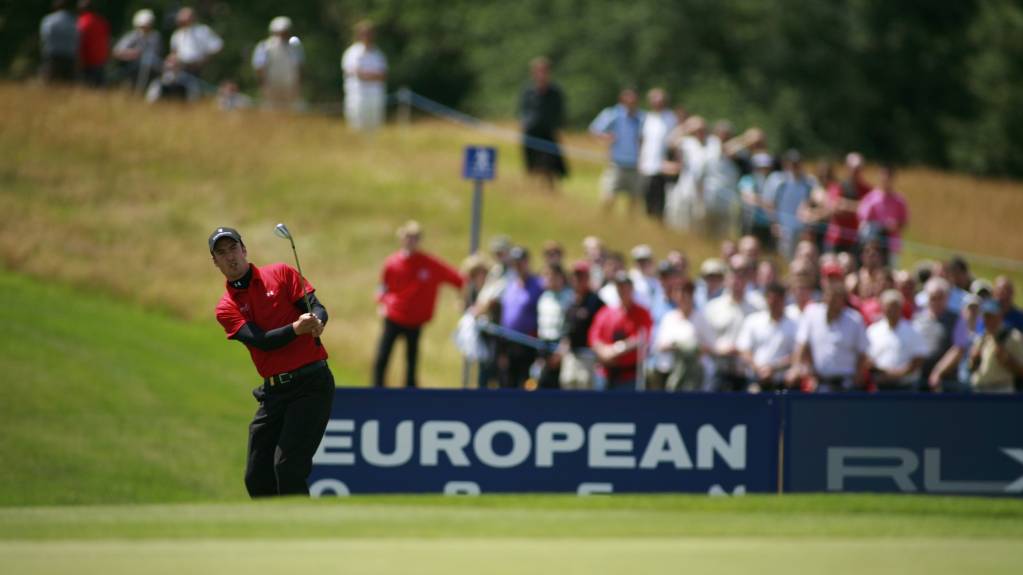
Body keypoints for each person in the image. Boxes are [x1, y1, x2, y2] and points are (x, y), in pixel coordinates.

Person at [209, 227, 333, 497]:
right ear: (215, 262)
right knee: (257, 476)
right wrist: (296, 329)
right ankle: (270, 535)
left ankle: (299, 536)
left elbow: (315, 305)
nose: (230, 257)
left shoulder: (280, 273)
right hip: (275, 392)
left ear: (244, 250)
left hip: (312, 385)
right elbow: (262, 340)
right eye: (222, 253)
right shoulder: (226, 307)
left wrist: (318, 321)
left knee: (288, 469)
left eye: (233, 249)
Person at [374, 221, 464, 388]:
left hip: (415, 321)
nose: (411, 241)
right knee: (382, 357)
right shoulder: (392, 263)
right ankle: (376, 391)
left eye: (415, 237)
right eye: (408, 237)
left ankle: (410, 396)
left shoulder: (429, 264)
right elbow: (382, 288)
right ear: (402, 238)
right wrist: (381, 303)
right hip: (393, 316)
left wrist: (463, 298)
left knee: (411, 362)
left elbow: (458, 280)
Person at [789, 276, 868, 392]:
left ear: (843, 300)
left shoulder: (855, 320)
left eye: (837, 298)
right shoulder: (811, 313)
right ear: (824, 298)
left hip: (847, 384)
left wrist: (858, 376)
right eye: (830, 297)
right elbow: (802, 344)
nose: (833, 302)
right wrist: (796, 368)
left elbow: (863, 352)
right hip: (820, 383)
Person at [703, 257, 762, 391]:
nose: (738, 277)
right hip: (719, 373)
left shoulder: (758, 307)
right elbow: (703, 342)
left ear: (748, 277)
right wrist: (718, 349)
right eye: (734, 272)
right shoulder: (713, 307)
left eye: (743, 273)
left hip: (748, 375)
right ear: (727, 275)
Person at [588, 272, 653, 390]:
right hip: (605, 373)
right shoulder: (605, 312)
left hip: (629, 375)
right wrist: (603, 351)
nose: (623, 290)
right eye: (620, 287)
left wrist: (616, 350)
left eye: (626, 287)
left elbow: (641, 337)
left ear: (632, 288)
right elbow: (594, 336)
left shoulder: (642, 313)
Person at [589, 88, 644, 213]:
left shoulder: (642, 117)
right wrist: (606, 137)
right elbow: (594, 129)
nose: (631, 103)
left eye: (633, 101)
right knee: (608, 197)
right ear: (622, 101)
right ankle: (605, 224)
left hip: (636, 165)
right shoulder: (612, 114)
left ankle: (629, 229)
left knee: (634, 200)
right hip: (616, 163)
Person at [736, 282, 797, 392]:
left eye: (777, 300)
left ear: (783, 300)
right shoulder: (753, 321)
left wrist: (773, 368)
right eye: (770, 299)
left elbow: (797, 354)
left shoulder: (794, 325)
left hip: (783, 384)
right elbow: (743, 349)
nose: (773, 303)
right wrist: (758, 369)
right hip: (755, 381)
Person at [498, 247, 545, 388]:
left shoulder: (538, 285)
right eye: (515, 263)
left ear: (527, 262)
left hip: (528, 344)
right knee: (506, 384)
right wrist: (502, 349)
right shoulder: (510, 284)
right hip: (509, 343)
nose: (518, 266)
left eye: (521, 262)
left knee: (526, 385)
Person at [654, 280, 713, 391]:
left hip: (693, 376)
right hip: (669, 372)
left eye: (685, 293)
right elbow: (659, 345)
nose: (681, 297)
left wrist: (693, 349)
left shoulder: (701, 318)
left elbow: (710, 346)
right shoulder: (668, 318)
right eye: (678, 293)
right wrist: (678, 346)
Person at [519, 56, 568, 189]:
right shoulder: (528, 91)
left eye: (544, 71)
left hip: (548, 134)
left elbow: (560, 113)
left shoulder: (555, 92)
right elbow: (523, 111)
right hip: (532, 133)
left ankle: (550, 192)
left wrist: (559, 130)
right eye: (538, 71)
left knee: (550, 166)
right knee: (532, 167)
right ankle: (533, 192)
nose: (541, 74)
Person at [866, 290, 927, 391]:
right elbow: (866, 358)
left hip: (906, 387)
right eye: (888, 306)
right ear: (882, 308)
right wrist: (882, 373)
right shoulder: (873, 331)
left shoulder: (913, 330)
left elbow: (918, 359)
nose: (891, 310)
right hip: (880, 386)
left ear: (901, 307)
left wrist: (897, 374)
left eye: (895, 306)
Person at [558, 261, 605, 389]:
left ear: (587, 278)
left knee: (585, 388)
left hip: (589, 356)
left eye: (581, 277)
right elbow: (566, 328)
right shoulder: (570, 301)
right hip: (571, 355)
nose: (577, 280)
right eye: (575, 276)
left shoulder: (595, 301)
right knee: (567, 383)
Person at [764, 149, 816, 260]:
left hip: (802, 229)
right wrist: (774, 223)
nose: (795, 166)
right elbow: (769, 203)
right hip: (783, 227)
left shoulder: (809, 182)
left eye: (797, 163)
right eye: (792, 163)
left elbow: (812, 202)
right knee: (783, 258)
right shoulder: (777, 180)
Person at [913, 277, 959, 391]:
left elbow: (959, 348)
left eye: (940, 298)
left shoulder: (957, 320)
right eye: (933, 298)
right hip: (920, 379)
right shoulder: (917, 318)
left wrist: (938, 372)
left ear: (947, 298)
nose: (936, 302)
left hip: (946, 381)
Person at [857, 165, 908, 267]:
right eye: (883, 175)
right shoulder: (871, 197)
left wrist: (894, 225)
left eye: (888, 176)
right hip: (873, 246)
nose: (885, 179)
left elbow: (904, 222)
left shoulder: (899, 200)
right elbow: (862, 218)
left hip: (891, 246)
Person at [968, 299, 1023, 393]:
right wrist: (974, 359)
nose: (987, 320)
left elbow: (1021, 371)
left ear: (1000, 316)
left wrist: (1007, 360)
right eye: (985, 316)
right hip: (979, 390)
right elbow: (971, 368)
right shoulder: (981, 337)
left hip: (1001, 391)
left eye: (991, 316)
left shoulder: (1013, 336)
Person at [637, 88, 676, 220]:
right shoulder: (647, 118)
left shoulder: (670, 118)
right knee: (647, 200)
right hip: (647, 166)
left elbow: (675, 143)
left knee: (661, 202)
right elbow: (643, 141)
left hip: (663, 168)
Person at [342, 20, 388, 131]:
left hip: (375, 97)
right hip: (357, 98)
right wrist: (372, 75)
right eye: (364, 33)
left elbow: (383, 76)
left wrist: (365, 74)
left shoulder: (378, 54)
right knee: (356, 129)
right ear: (359, 35)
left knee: (375, 130)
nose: (367, 36)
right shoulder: (351, 53)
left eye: (369, 33)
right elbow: (355, 73)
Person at [252, 17, 304, 111]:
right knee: (271, 110)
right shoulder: (265, 46)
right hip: (271, 86)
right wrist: (263, 85)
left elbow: (299, 67)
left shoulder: (295, 47)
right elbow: (259, 67)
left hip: (290, 87)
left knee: (291, 111)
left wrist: (298, 85)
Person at [824, 152, 871, 255]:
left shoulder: (867, 190)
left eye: (858, 169)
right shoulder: (837, 186)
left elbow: (867, 211)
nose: (855, 172)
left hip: (857, 241)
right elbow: (834, 207)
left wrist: (844, 205)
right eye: (853, 169)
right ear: (847, 168)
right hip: (836, 239)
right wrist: (858, 206)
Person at [536, 264, 574, 388]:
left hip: (561, 349)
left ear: (560, 278)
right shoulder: (544, 298)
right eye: (545, 276)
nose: (547, 279)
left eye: (551, 276)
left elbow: (570, 327)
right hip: (544, 347)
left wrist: (560, 352)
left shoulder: (570, 297)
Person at [112, 9, 162, 92]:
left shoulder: (155, 37)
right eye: (144, 26)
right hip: (131, 68)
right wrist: (133, 53)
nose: (146, 29)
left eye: (148, 26)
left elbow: (157, 54)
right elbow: (117, 51)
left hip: (152, 69)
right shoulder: (132, 36)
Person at [170, 7, 223, 77]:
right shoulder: (177, 35)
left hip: (198, 69)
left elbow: (217, 46)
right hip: (180, 69)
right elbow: (174, 52)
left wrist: (205, 60)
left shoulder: (203, 30)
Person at [739, 152, 777, 251]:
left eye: (766, 167)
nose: (763, 170)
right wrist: (766, 203)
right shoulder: (747, 179)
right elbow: (748, 197)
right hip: (751, 222)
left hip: (768, 223)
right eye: (760, 167)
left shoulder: (773, 180)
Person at [40, 0, 78, 84]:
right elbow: (77, 38)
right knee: (68, 85)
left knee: (51, 83)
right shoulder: (73, 20)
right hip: (69, 56)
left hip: (53, 55)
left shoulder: (49, 20)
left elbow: (44, 37)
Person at [75, 0, 109, 87]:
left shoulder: (82, 22)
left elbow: (79, 43)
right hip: (100, 61)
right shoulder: (102, 22)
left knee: (85, 88)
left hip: (87, 62)